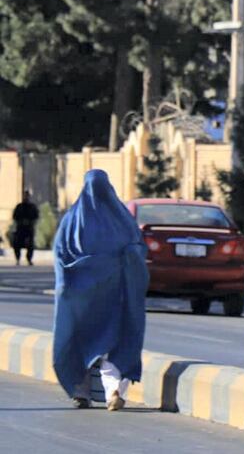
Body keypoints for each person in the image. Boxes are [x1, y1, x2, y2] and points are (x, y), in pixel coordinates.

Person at [52, 170, 149, 411]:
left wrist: (65, 284)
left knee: (78, 342)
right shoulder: (123, 220)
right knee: (113, 342)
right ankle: (113, 390)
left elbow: (60, 255)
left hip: (79, 297)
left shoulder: (72, 219)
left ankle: (79, 391)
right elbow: (136, 251)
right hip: (114, 295)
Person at [12, 190, 39, 266]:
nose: (26, 197)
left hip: (29, 228)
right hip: (20, 228)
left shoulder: (32, 207)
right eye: (25, 196)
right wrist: (20, 221)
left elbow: (36, 216)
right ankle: (17, 258)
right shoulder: (19, 207)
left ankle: (29, 259)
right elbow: (15, 216)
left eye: (27, 196)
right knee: (17, 244)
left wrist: (30, 222)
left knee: (30, 244)